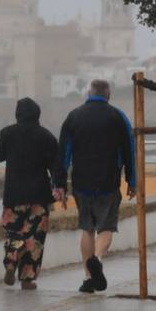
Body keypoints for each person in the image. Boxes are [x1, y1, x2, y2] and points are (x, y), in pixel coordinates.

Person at [58, 79, 137, 293]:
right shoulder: (118, 117)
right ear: (108, 95)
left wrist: (59, 184)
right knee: (106, 228)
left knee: (87, 229)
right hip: (108, 182)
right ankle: (97, 259)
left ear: (89, 93)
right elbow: (129, 149)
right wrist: (132, 181)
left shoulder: (74, 116)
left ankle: (88, 278)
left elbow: (64, 153)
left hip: (81, 183)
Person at [0, 97, 65, 290]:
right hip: (39, 196)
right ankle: (27, 279)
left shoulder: (8, 133)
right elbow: (57, 167)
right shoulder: (46, 136)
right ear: (37, 115)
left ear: (18, 114)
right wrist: (60, 187)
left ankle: (11, 261)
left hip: (14, 195)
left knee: (14, 232)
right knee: (35, 237)